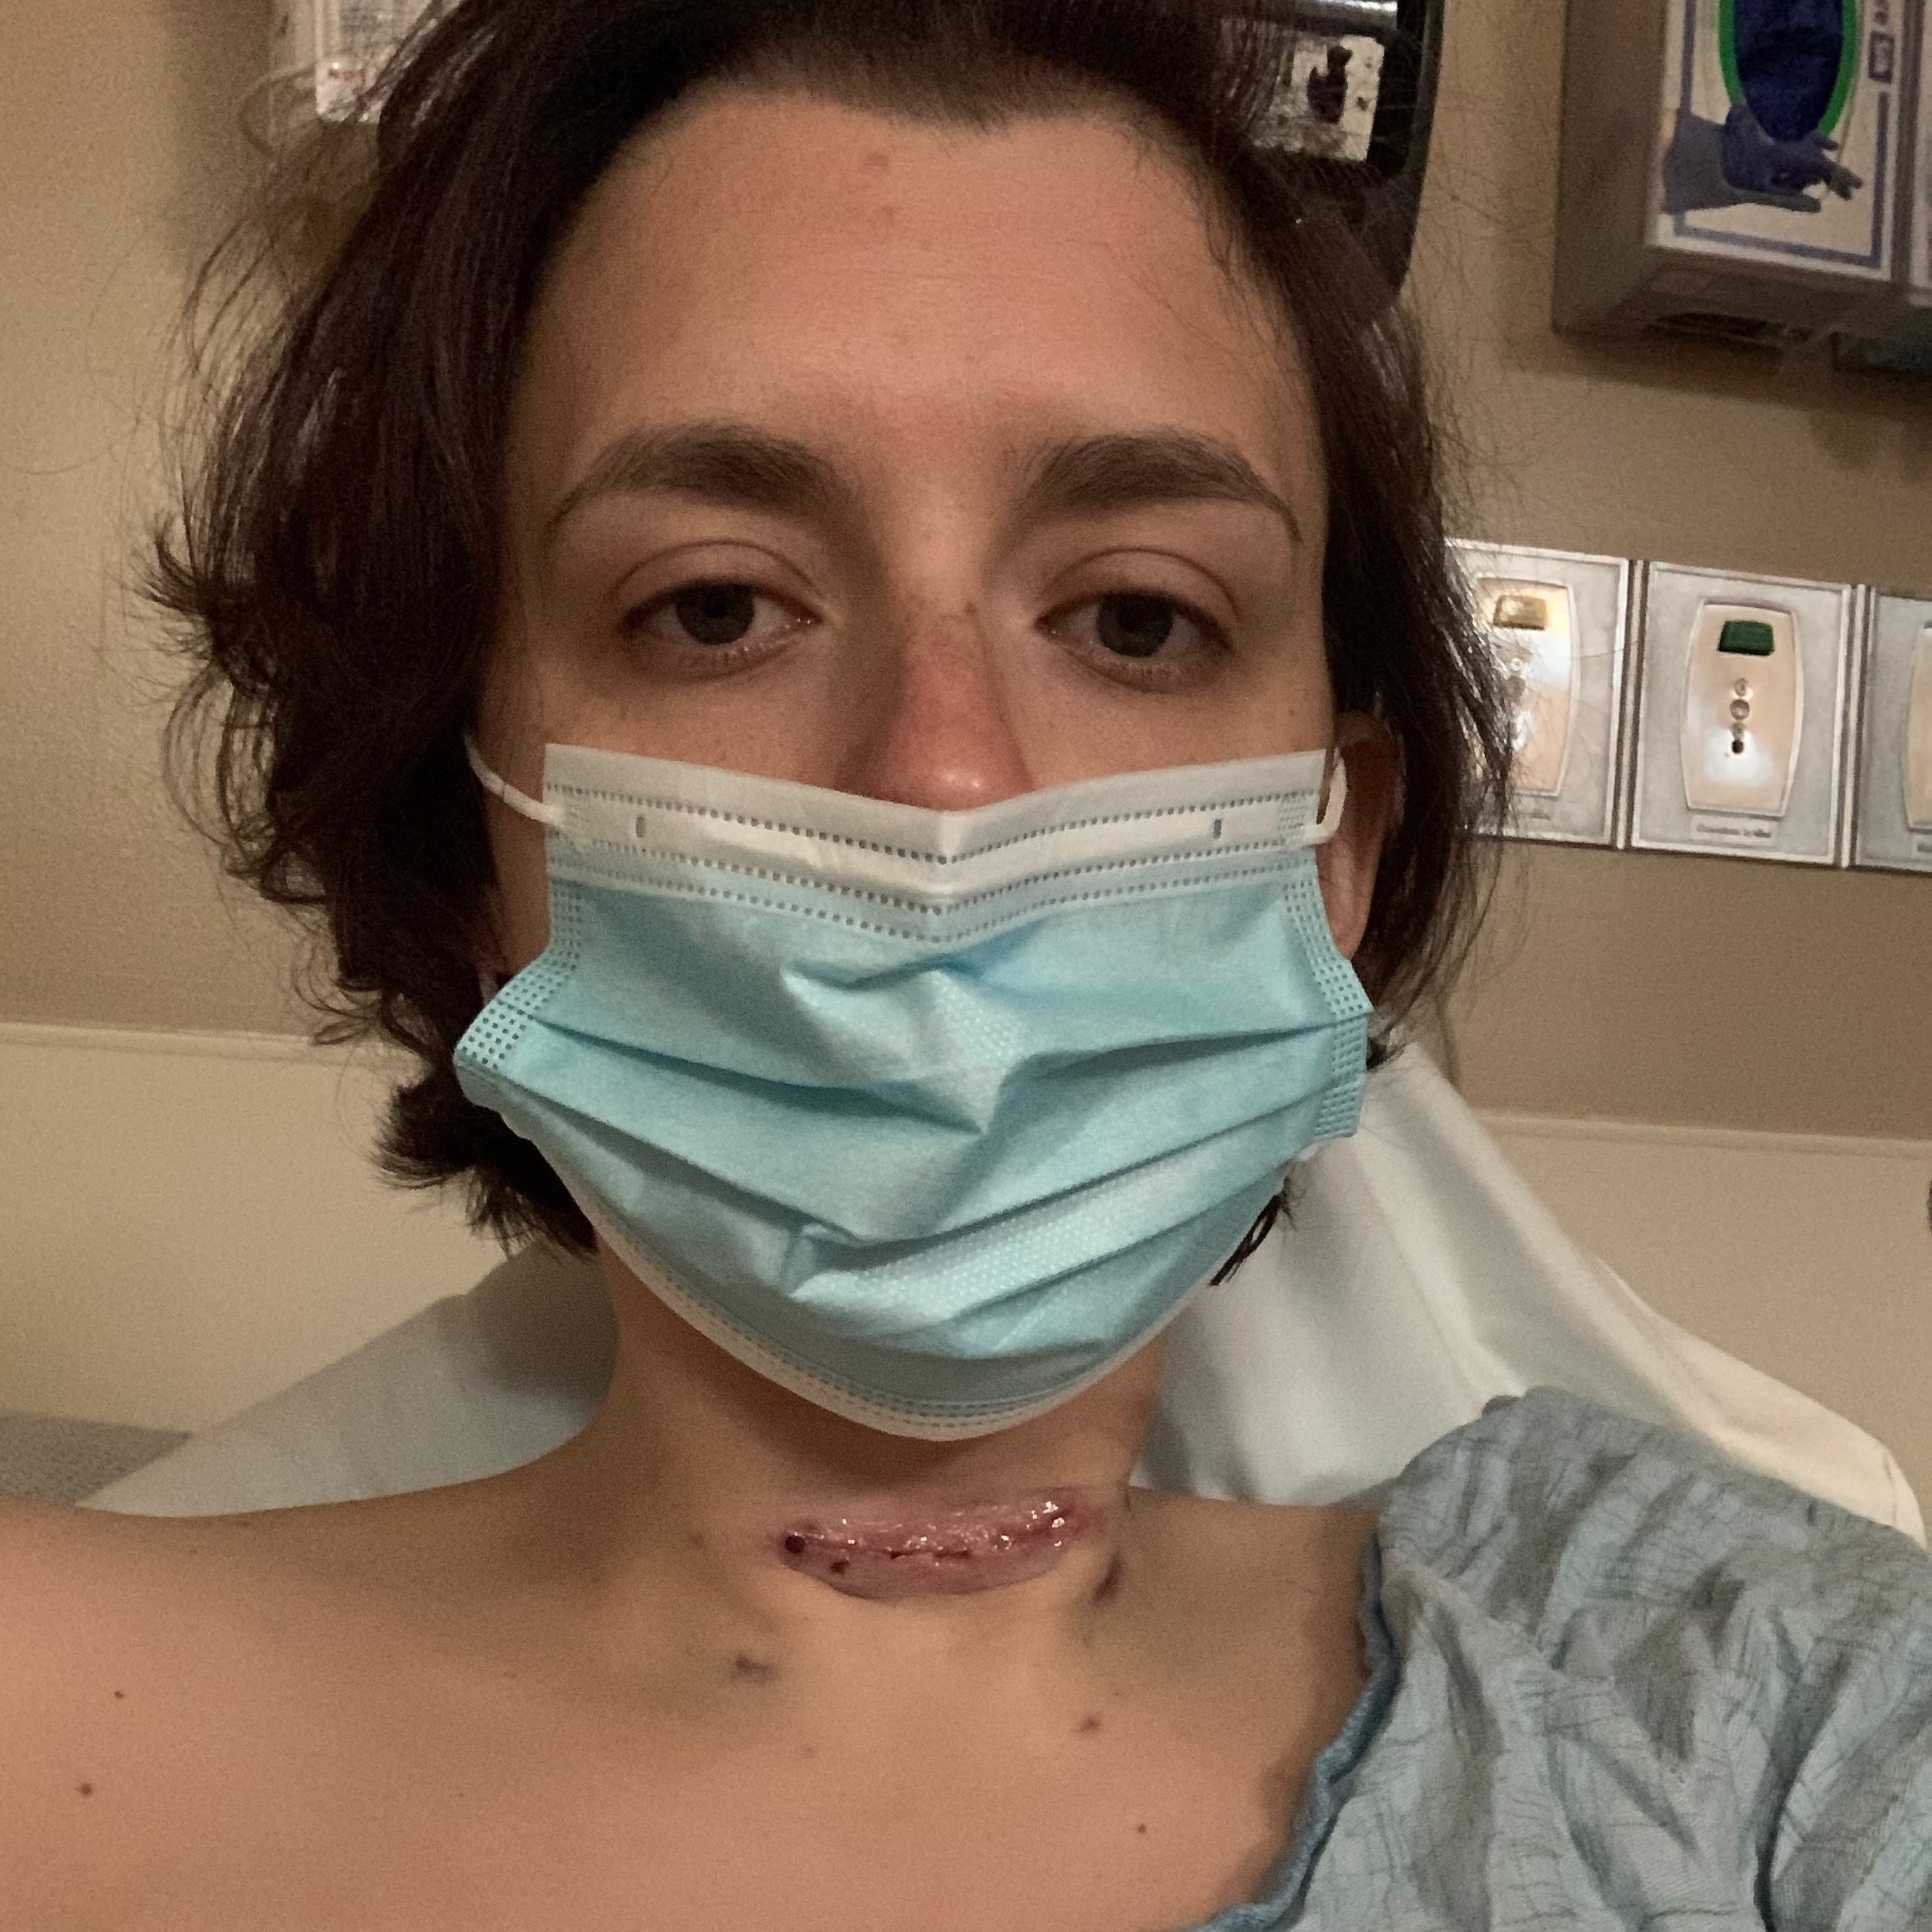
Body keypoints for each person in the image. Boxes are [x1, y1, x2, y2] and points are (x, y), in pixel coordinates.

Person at [3, 3, 1927, 1926]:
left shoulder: (1735, 1687)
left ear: (1331, 852)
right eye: (715, 605)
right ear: (471, 833)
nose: (946, 775)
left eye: (1137, 620)